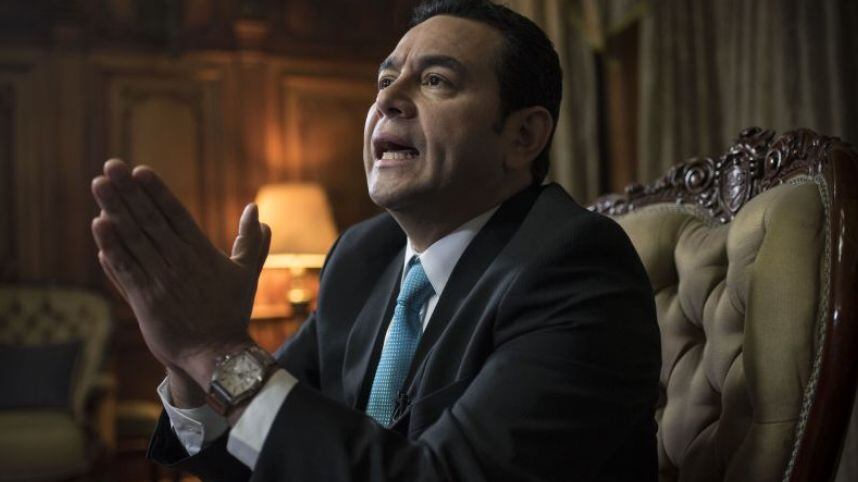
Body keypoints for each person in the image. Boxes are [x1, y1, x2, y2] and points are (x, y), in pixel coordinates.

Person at [90, 0, 661, 480]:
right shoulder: (361, 257)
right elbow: (260, 455)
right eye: (386, 80)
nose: (388, 99)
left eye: (435, 81)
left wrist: (216, 348)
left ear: (523, 136)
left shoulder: (576, 267)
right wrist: (185, 362)